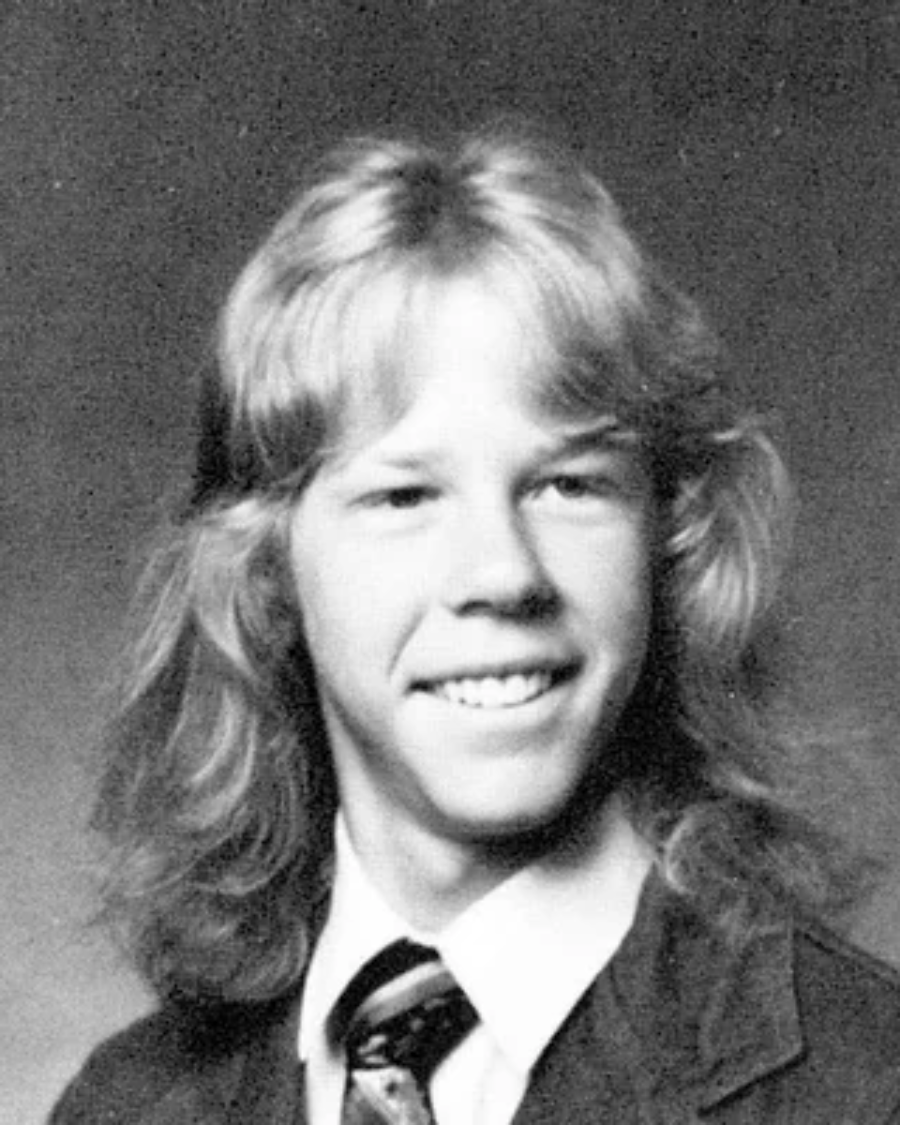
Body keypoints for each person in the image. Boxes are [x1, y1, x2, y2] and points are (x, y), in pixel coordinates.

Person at [51, 124, 900, 1124]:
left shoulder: (863, 1086)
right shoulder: (127, 1105)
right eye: (406, 496)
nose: (503, 572)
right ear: (267, 570)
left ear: (666, 544)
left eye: (569, 483)